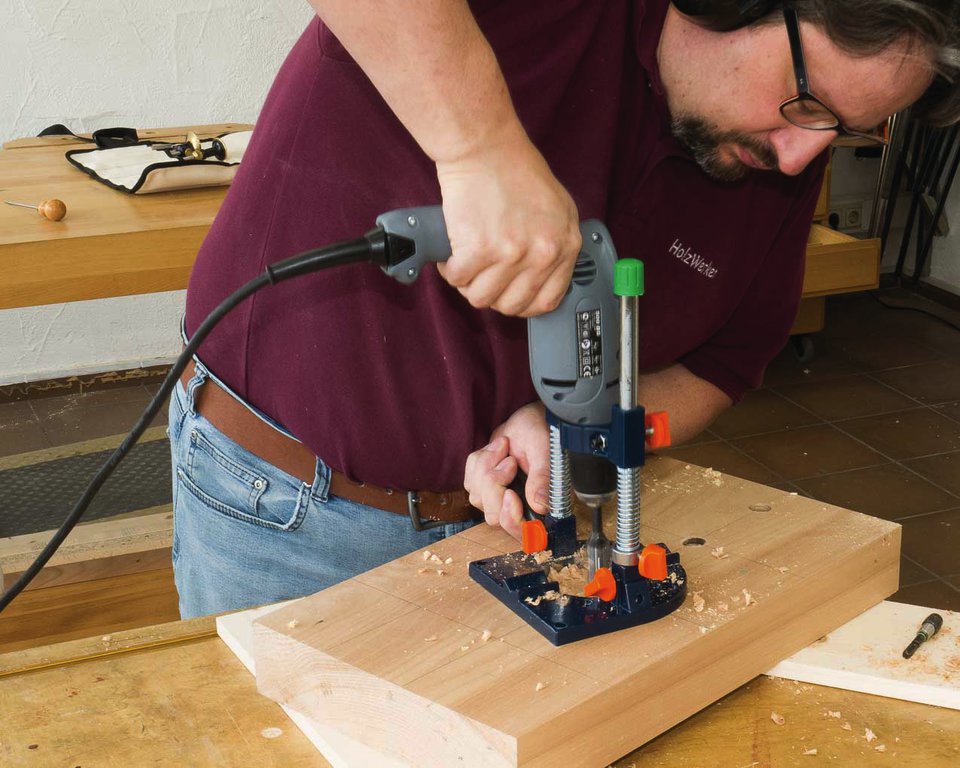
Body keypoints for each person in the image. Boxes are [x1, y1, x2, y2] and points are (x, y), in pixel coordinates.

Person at [171, 0, 958, 618]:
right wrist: (479, 146)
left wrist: (572, 430)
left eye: (849, 132)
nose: (801, 158)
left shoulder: (778, 161)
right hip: (290, 510)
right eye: (806, 103)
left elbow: (726, 362)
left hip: (521, 539)